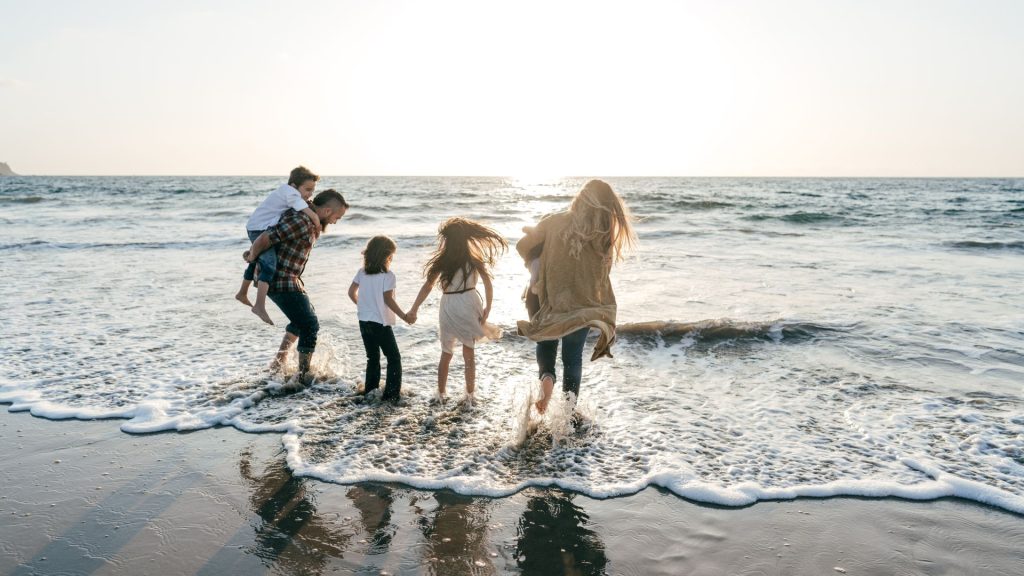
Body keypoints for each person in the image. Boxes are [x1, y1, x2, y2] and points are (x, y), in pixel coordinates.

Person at [516, 179, 636, 415]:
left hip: (546, 301)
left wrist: (538, 259)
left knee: (546, 343)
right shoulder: (602, 237)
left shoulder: (553, 221)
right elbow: (602, 275)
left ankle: (547, 379)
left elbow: (522, 246)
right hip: (581, 307)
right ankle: (568, 414)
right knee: (572, 359)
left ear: (579, 198)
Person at [245, 189, 349, 384]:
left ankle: (278, 364)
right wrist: (252, 255)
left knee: (301, 319)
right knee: (309, 324)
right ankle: (302, 376)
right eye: (337, 217)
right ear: (327, 211)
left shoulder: (308, 219)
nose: (336, 222)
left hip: (290, 279)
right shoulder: (301, 221)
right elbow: (266, 237)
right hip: (279, 280)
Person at [408, 218, 506, 404]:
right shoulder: (474, 259)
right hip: (469, 302)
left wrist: (414, 309)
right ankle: (470, 395)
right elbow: (488, 283)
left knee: (446, 352)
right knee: (469, 352)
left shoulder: (442, 261)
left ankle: (440, 394)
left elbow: (427, 286)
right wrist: (488, 306)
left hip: (449, 304)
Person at [236, 166, 323, 325]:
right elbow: (306, 210)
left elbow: (302, 205)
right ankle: (259, 305)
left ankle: (242, 292)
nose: (310, 194)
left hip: (257, 227)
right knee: (269, 265)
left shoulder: (288, 192)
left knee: (257, 261)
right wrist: (317, 222)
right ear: (294, 185)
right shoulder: (290, 193)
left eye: (313, 190)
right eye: (307, 189)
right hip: (259, 229)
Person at [347, 236, 411, 402]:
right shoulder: (388, 276)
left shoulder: (362, 272)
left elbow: (351, 292)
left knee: (372, 357)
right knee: (393, 358)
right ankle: (391, 395)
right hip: (379, 323)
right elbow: (388, 299)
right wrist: (404, 316)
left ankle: (370, 391)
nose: (392, 258)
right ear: (386, 255)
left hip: (363, 320)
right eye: (391, 255)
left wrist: (363, 306)